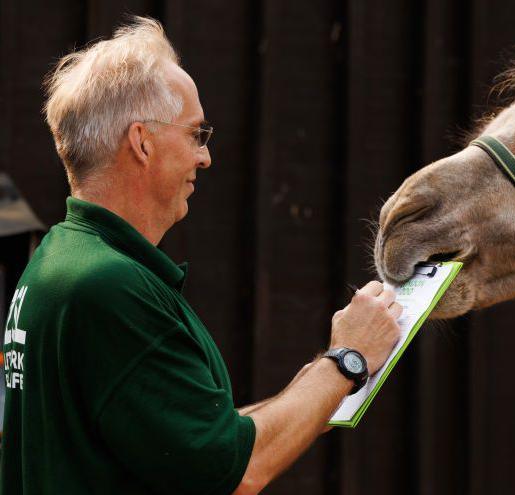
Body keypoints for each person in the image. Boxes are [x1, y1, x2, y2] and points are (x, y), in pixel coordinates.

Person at [0, 16, 402, 495]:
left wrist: (319, 388)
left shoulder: (62, 258)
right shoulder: (109, 285)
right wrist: (348, 359)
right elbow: (234, 470)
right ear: (143, 142)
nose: (205, 157)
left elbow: (191, 439)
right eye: (196, 134)